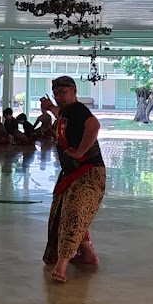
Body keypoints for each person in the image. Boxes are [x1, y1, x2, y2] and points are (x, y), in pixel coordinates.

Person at [40, 76, 106, 283]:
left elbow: (94, 125)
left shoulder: (78, 110)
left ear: (74, 90)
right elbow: (59, 113)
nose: (59, 97)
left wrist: (80, 151)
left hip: (89, 173)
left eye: (63, 93)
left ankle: (62, 265)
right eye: (56, 94)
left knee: (73, 214)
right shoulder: (66, 112)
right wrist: (49, 106)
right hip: (71, 173)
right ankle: (88, 255)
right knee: (63, 212)